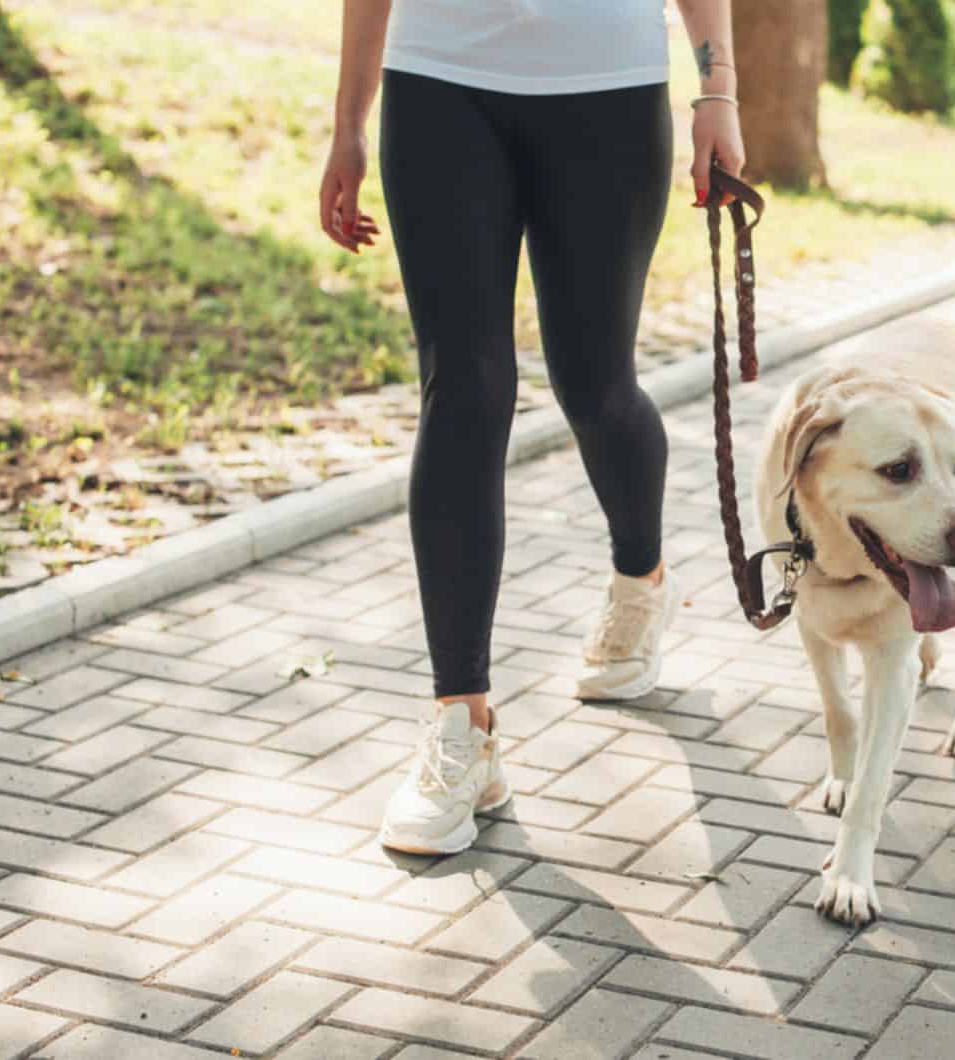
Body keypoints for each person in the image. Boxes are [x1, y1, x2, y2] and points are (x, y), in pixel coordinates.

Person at [320, 0, 745, 855]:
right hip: (438, 80)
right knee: (465, 391)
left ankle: (640, 582)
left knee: (594, 386)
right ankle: (461, 726)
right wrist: (349, 123)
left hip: (608, 87)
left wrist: (717, 92)